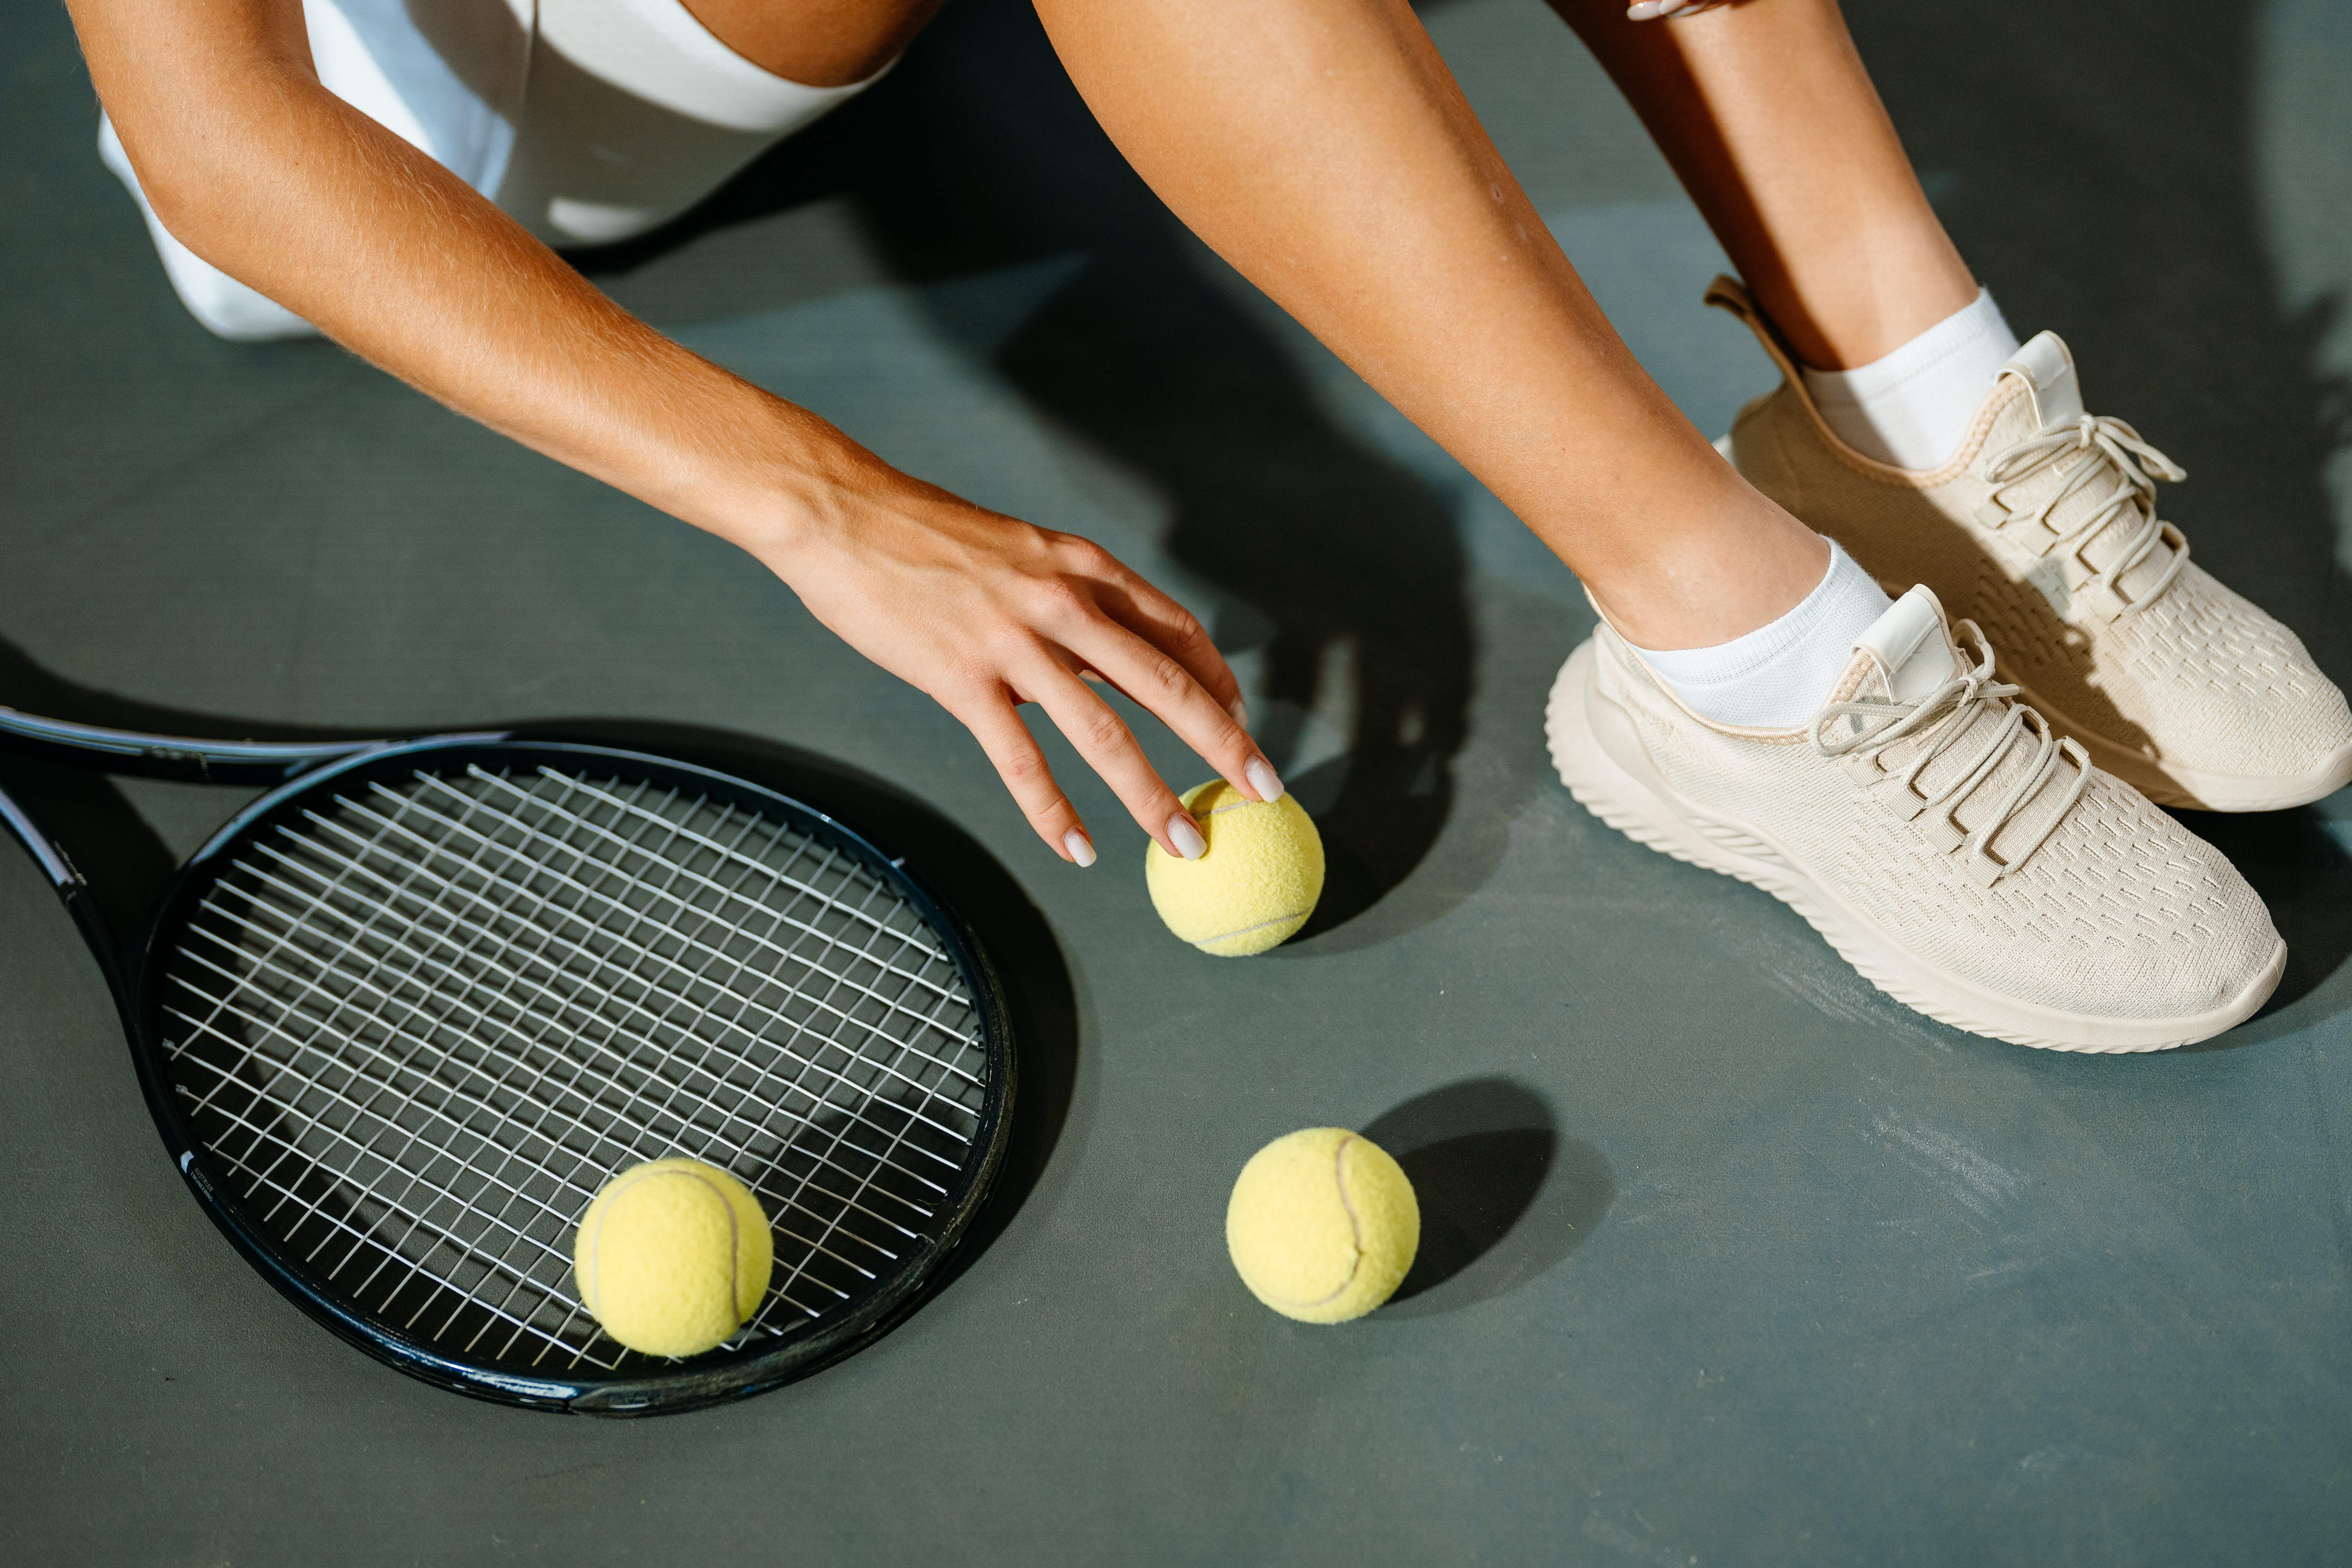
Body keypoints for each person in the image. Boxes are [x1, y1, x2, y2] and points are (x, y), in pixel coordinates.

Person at [68, 0, 2345, 1048]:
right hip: (443, 104)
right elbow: (222, 144)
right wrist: (825, 506)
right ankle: (1739, 666)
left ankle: (1918, 409)